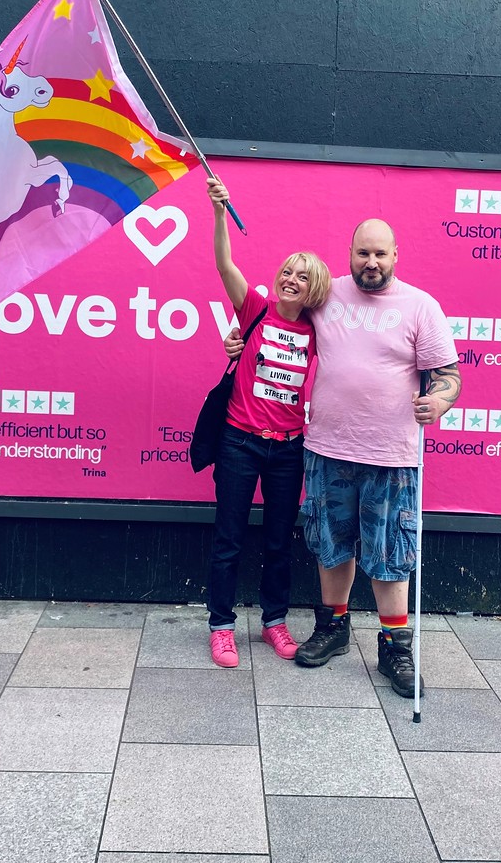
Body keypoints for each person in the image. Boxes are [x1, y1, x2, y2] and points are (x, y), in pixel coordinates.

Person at [226, 215, 459, 696]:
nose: (370, 262)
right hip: (327, 448)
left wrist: (437, 401)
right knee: (330, 542)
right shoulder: (325, 293)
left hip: (391, 455)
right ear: (349, 254)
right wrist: (239, 338)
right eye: (362, 253)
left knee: (390, 548)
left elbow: (448, 376)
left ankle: (395, 644)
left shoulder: (421, 307)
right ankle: (333, 628)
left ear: (395, 256)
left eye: (380, 254)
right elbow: (275, 321)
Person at [203, 178, 331, 668]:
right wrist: (220, 213)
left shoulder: (321, 330)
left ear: (314, 287)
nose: (291, 279)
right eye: (287, 271)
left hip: (290, 449)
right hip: (240, 442)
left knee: (280, 541)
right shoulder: (255, 310)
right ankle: (220, 627)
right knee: (229, 538)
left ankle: (274, 622)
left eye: (302, 276)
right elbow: (223, 265)